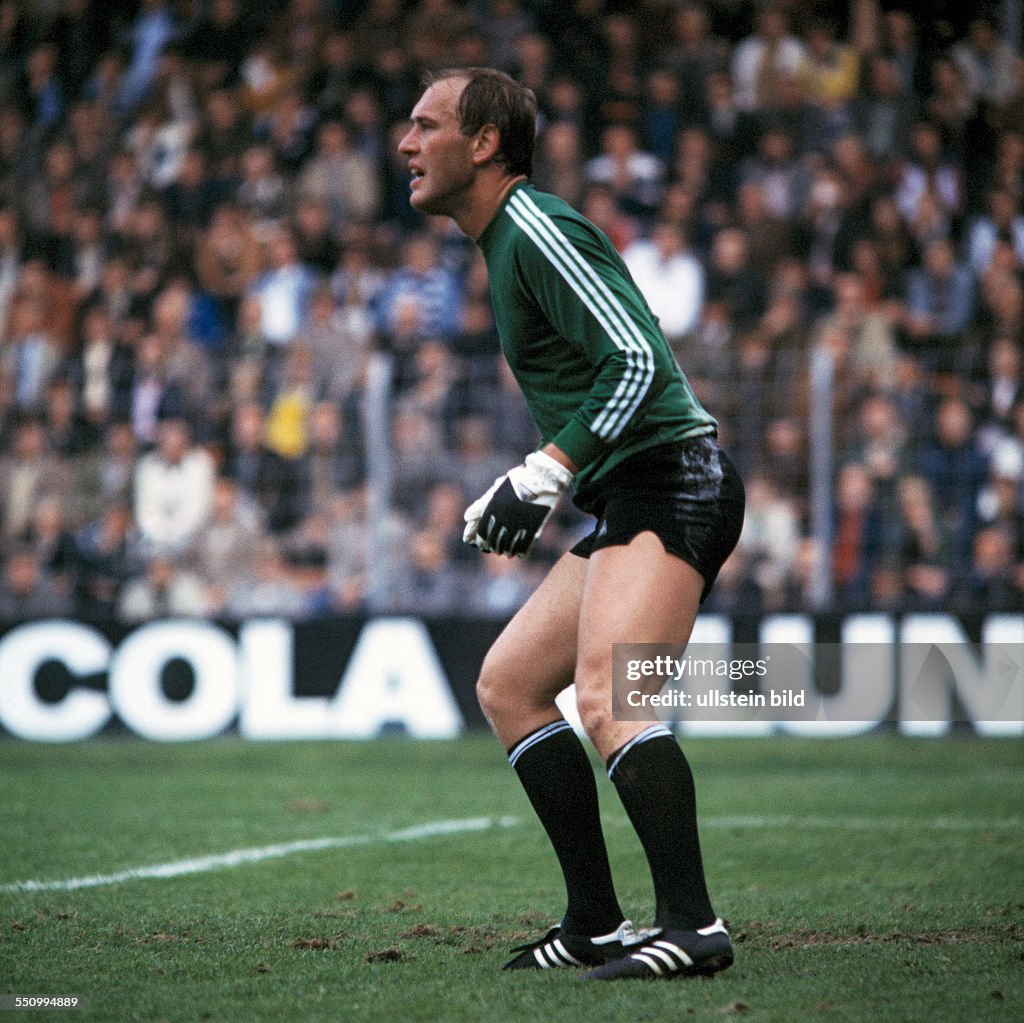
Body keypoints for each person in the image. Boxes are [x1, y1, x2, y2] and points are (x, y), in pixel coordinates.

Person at [398, 68, 744, 980]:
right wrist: (526, 482)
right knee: (511, 683)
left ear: (483, 144)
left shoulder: (533, 227)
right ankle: (594, 919)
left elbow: (638, 358)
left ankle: (694, 926)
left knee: (613, 698)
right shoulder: (503, 244)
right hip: (632, 490)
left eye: (426, 124)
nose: (405, 142)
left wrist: (548, 468)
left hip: (676, 478)